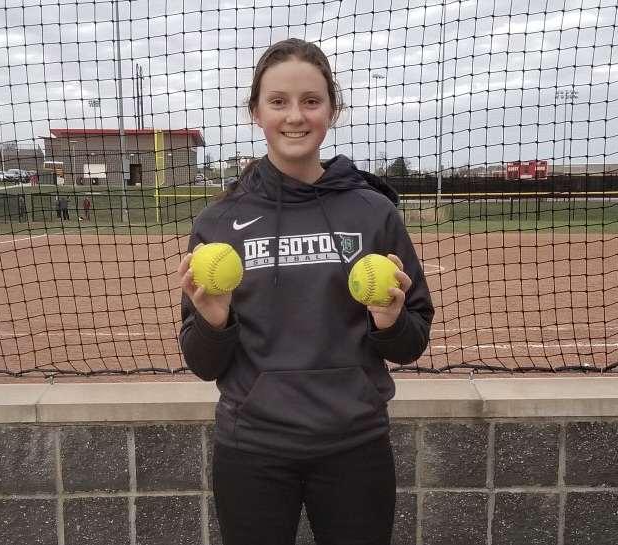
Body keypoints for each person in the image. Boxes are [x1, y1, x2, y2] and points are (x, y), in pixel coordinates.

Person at [177, 38, 434, 545]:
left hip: (356, 445)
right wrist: (212, 320)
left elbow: (411, 343)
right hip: (251, 448)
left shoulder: (373, 212)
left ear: (331, 111)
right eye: (278, 102)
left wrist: (389, 321)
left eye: (311, 101)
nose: (295, 116)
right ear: (256, 112)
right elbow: (203, 364)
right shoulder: (220, 221)